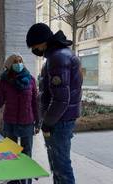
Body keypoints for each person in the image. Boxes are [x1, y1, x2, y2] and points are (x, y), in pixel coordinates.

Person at [26, 23, 83, 184]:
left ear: (42, 41)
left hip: (59, 121)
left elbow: (61, 99)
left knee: (61, 166)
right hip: (62, 119)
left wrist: (48, 123)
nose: (34, 50)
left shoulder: (57, 58)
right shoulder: (60, 55)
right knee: (59, 165)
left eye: (34, 45)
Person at [0, 54, 40, 184]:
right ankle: (14, 180)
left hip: (27, 122)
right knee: (10, 153)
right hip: (10, 122)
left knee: (26, 154)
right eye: (16, 62)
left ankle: (25, 181)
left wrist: (38, 122)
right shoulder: (5, 81)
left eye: (20, 61)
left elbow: (35, 102)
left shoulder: (31, 80)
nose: (19, 64)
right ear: (10, 65)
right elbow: (0, 98)